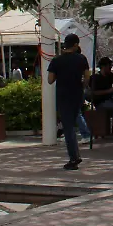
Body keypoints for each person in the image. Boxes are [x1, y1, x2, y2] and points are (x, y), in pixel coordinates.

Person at [47, 34, 91, 171]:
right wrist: (82, 86)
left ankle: (73, 157)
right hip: (77, 94)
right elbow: (87, 76)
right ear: (76, 44)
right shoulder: (81, 59)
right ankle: (75, 154)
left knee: (68, 127)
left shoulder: (57, 60)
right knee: (75, 118)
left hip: (63, 95)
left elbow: (50, 79)